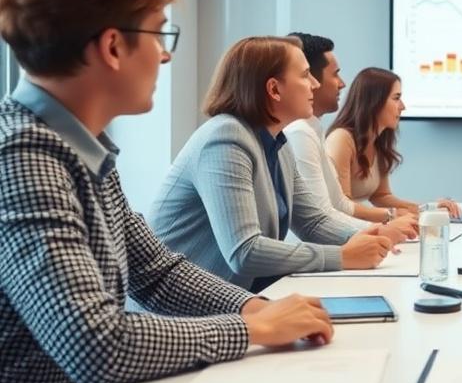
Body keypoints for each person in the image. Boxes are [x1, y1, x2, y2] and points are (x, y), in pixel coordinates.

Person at [0, 0, 333, 383]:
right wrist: (250, 329)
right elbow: (96, 344)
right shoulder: (23, 158)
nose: (166, 56)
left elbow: (156, 271)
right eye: (159, 35)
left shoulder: (82, 147)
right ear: (113, 45)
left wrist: (255, 307)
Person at [149, 37, 393, 292]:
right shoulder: (225, 138)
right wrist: (341, 256)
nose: (315, 84)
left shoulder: (279, 141)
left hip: (232, 297)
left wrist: (373, 236)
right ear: (274, 90)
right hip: (181, 314)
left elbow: (313, 221)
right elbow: (244, 251)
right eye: (306, 75)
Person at [283, 32, 418, 239]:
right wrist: (386, 223)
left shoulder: (313, 129)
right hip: (319, 247)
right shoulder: (305, 133)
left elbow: (336, 205)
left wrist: (420, 211)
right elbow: (320, 219)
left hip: (331, 241)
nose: (342, 83)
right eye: (335, 74)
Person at [325, 67, 462, 218]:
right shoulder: (341, 139)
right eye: (396, 98)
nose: (403, 106)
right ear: (374, 102)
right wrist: (392, 215)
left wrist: (429, 208)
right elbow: (342, 207)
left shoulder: (378, 141)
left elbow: (381, 196)